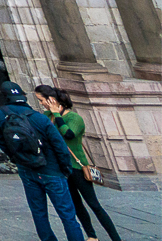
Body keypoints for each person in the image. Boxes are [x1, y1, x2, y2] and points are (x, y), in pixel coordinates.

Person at [0, 80, 84, 241]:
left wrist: (16, 158)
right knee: (67, 215)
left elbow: (0, 140)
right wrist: (65, 169)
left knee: (39, 212)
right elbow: (59, 146)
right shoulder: (40, 118)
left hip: (26, 168)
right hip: (51, 169)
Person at [40, 84, 119, 241]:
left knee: (94, 204)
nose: (42, 104)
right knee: (76, 205)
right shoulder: (48, 116)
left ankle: (116, 238)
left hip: (77, 167)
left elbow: (68, 134)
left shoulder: (74, 118)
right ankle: (92, 236)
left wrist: (58, 115)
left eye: (43, 100)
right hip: (62, 167)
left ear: (53, 100)